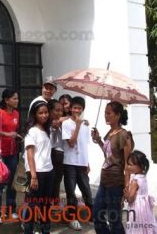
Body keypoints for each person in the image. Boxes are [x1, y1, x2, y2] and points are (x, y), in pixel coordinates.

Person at [91, 101, 133, 234]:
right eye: (105, 113)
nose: (106, 115)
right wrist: (98, 140)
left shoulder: (124, 135)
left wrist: (126, 187)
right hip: (104, 181)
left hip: (116, 183)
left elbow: (128, 164)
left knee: (114, 220)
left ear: (118, 115)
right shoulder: (110, 132)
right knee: (97, 214)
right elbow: (109, 155)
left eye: (109, 113)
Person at [0, 89, 20, 223]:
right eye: (14, 99)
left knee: (12, 183)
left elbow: (13, 131)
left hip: (13, 152)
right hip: (0, 153)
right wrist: (7, 134)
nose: (17, 101)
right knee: (0, 183)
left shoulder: (17, 113)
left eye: (17, 98)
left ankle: (11, 210)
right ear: (6, 100)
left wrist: (17, 136)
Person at [62, 96, 93, 231]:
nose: (77, 110)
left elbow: (84, 145)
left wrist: (87, 162)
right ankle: (72, 217)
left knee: (86, 189)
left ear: (82, 109)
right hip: (69, 163)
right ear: (70, 109)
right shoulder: (67, 124)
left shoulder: (85, 125)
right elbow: (71, 142)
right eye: (75, 107)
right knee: (71, 191)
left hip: (82, 163)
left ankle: (91, 215)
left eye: (79, 108)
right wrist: (78, 126)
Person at [23, 100, 54, 234]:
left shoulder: (47, 130)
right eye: (40, 113)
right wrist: (33, 176)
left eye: (46, 112)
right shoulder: (32, 131)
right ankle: (28, 231)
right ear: (34, 115)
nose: (44, 115)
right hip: (36, 173)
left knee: (46, 205)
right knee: (32, 205)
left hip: (49, 172)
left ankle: (45, 230)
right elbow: (30, 155)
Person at [124, 150, 157, 234]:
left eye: (130, 165)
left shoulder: (135, 181)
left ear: (141, 166)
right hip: (145, 209)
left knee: (136, 227)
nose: (128, 167)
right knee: (144, 226)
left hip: (136, 209)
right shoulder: (143, 177)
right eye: (128, 164)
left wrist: (126, 194)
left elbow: (131, 199)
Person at [48, 99, 67, 204]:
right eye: (57, 110)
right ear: (50, 111)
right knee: (48, 181)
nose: (59, 113)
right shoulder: (45, 123)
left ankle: (55, 202)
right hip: (48, 155)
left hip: (59, 155)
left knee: (57, 181)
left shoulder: (64, 123)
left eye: (61, 110)